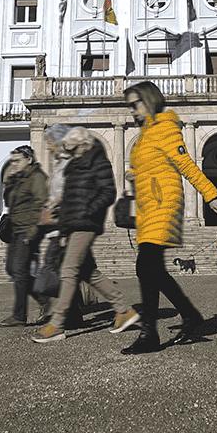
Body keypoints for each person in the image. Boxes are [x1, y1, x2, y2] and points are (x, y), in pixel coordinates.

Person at [121, 80, 217, 355]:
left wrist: (211, 195)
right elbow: (155, 164)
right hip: (148, 206)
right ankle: (188, 315)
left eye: (136, 104)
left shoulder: (166, 128)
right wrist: (137, 174)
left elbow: (186, 165)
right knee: (150, 268)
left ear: (150, 100)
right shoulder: (146, 134)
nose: (133, 111)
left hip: (163, 204)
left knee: (146, 266)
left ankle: (150, 334)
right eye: (130, 106)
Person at [32, 125, 140, 343]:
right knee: (88, 273)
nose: (68, 153)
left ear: (83, 144)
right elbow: (69, 200)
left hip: (86, 224)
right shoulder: (73, 166)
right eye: (67, 150)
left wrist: (88, 212)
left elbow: (108, 192)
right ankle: (125, 311)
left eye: (71, 149)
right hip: (71, 225)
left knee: (68, 271)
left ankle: (57, 324)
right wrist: (63, 226)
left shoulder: (98, 162)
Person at [0, 145, 49, 326]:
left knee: (19, 272)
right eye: (12, 161)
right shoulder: (18, 179)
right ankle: (46, 301)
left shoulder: (36, 177)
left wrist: (34, 231)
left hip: (29, 229)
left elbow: (43, 205)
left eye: (18, 160)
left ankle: (19, 316)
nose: (14, 164)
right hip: (16, 230)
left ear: (29, 160)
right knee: (12, 270)